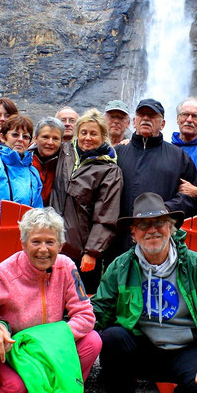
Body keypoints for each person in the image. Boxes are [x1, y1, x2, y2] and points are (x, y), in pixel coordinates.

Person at [92, 192, 197, 393]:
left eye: (159, 223)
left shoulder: (196, 264)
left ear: (171, 227)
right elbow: (100, 309)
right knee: (112, 338)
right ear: (133, 234)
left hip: (185, 348)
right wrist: (72, 331)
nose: (152, 230)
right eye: (143, 225)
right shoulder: (120, 266)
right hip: (143, 346)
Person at [0, 208, 102, 393]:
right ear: (24, 243)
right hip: (18, 351)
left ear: (60, 245)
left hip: (53, 347)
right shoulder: (4, 274)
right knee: (14, 388)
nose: (43, 249)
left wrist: (51, 342)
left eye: (50, 242)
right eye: (36, 242)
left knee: (92, 341)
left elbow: (85, 315)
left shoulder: (66, 266)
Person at [114, 98, 197, 257]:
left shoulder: (179, 157)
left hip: (160, 242)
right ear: (134, 121)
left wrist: (164, 210)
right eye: (142, 114)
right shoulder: (117, 153)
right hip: (118, 243)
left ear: (163, 124)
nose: (146, 118)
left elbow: (189, 200)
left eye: (152, 115)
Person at [50, 109, 123, 293]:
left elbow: (106, 215)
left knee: (81, 302)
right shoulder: (65, 152)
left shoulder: (109, 170)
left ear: (103, 136)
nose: (87, 138)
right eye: (83, 132)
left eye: (93, 133)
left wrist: (92, 252)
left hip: (81, 253)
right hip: (51, 244)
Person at [29, 117, 64, 205]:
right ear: (35, 138)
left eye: (55, 138)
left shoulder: (65, 164)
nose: (50, 142)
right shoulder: (24, 161)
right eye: (45, 137)